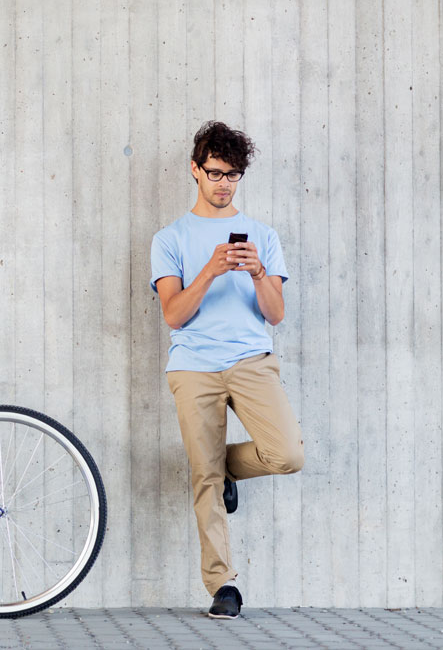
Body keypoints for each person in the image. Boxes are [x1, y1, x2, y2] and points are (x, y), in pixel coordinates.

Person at [149, 121, 305, 619]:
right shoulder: (170, 238)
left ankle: (221, 468)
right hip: (193, 366)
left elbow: (275, 314)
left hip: (252, 361)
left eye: (233, 175)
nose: (223, 184)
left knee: (286, 455)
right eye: (215, 172)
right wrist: (210, 270)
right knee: (204, 480)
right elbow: (173, 314)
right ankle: (223, 586)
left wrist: (258, 272)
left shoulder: (263, 236)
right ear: (195, 169)